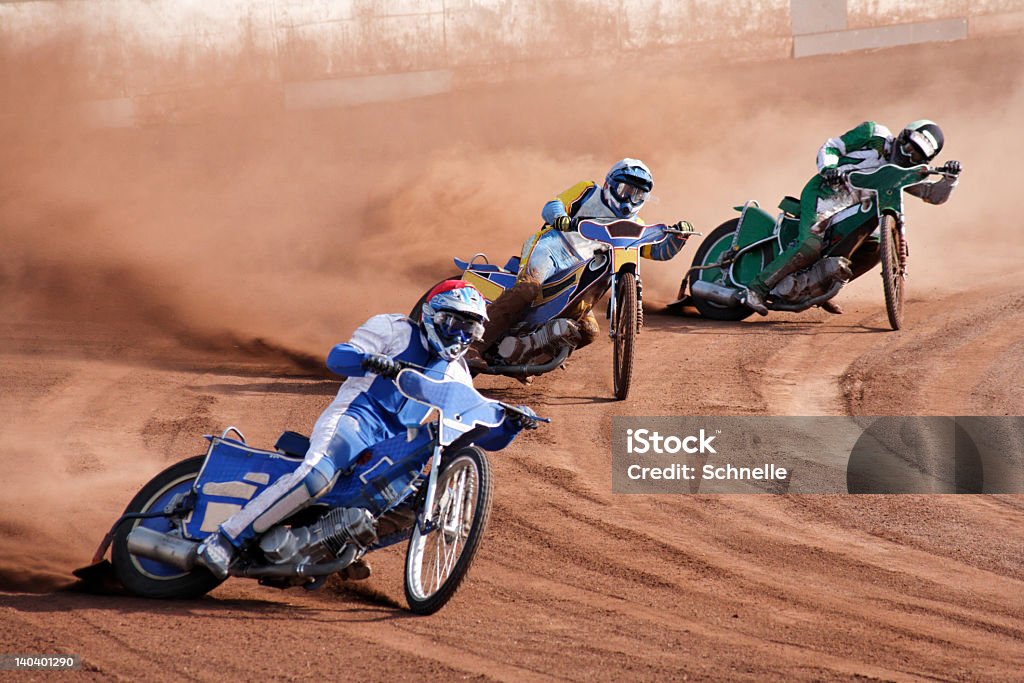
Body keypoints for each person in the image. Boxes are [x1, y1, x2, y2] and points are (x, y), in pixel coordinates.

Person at [196, 281, 536, 580]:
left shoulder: (458, 373)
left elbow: (478, 434)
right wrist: (369, 360)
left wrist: (509, 426)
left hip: (394, 445)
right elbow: (337, 357)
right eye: (454, 324)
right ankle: (226, 540)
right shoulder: (394, 329)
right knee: (317, 477)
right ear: (432, 316)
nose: (460, 336)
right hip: (356, 420)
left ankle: (333, 549)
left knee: (419, 505)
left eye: (470, 331)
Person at [474, 158, 694, 359]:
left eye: (638, 194)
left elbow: (653, 251)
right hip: (554, 247)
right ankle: (475, 346)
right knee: (528, 288)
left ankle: (526, 352)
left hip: (582, 270)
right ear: (609, 185)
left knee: (588, 331)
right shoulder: (589, 191)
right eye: (625, 190)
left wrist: (678, 239)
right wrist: (560, 217)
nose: (629, 199)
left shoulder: (635, 226)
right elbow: (553, 205)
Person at [741, 120, 962, 316]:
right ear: (903, 136)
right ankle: (755, 289)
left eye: (916, 155)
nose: (907, 155)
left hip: (856, 210)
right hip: (827, 193)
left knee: (875, 248)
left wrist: (950, 179)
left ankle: (822, 289)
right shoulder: (874, 133)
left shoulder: (906, 173)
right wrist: (828, 168)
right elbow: (832, 146)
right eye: (908, 147)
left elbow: (932, 195)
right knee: (810, 246)